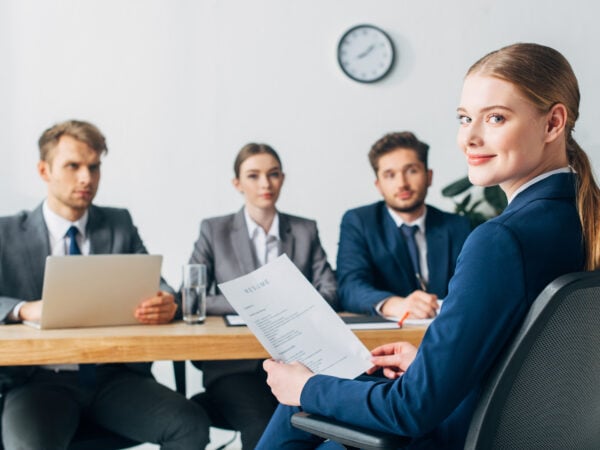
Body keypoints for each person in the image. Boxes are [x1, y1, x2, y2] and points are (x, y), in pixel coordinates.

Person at [255, 42, 600, 449]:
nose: (469, 137)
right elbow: (528, 369)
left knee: (301, 399)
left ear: (553, 123)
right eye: (464, 118)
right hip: (509, 429)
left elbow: (410, 409)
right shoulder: (576, 221)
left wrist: (306, 388)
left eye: (495, 118)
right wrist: (427, 364)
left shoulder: (501, 241)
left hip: (454, 434)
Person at [0, 120, 210, 449]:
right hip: (39, 382)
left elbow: (161, 286)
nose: (87, 178)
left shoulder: (118, 223)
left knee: (191, 424)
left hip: (113, 377)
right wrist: (22, 309)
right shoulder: (7, 231)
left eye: (94, 167)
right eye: (73, 166)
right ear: (44, 171)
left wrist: (167, 302)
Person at [187, 142, 337, 449]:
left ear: (283, 178)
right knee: (262, 424)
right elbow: (192, 298)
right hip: (234, 366)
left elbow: (331, 291)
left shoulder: (304, 230)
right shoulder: (214, 230)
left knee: (325, 425)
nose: (265, 184)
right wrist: (258, 305)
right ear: (237, 183)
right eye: (253, 176)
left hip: (298, 361)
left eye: (273, 174)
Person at [337, 132, 471, 319]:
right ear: (379, 185)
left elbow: (472, 287)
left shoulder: (458, 226)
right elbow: (350, 286)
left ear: (429, 176)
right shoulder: (359, 222)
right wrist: (394, 305)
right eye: (390, 175)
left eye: (412, 171)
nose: (402, 184)